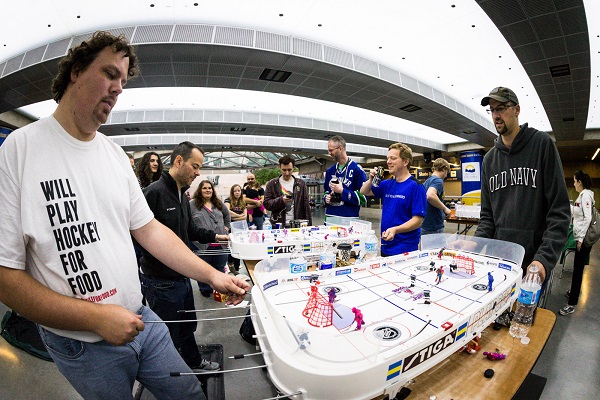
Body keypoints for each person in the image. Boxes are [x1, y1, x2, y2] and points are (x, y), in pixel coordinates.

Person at [0, 31, 248, 400]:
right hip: (82, 344)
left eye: (123, 80)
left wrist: (212, 274)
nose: (118, 88)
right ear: (76, 71)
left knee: (189, 394)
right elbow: (6, 276)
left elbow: (149, 230)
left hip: (143, 320)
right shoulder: (19, 151)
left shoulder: (114, 155)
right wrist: (96, 318)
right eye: (110, 73)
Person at [140, 141, 233, 373]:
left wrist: (217, 236)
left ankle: (192, 362)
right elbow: (139, 239)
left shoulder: (181, 195)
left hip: (182, 277)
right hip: (161, 281)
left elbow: (189, 230)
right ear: (179, 161)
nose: (198, 172)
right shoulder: (153, 194)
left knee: (187, 326)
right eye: (195, 166)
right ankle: (171, 376)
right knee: (168, 334)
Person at [467, 87, 571, 284]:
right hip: (499, 262)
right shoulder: (489, 160)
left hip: (534, 263)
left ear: (517, 110)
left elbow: (559, 211)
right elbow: (488, 218)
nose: (496, 115)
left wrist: (543, 259)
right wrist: (474, 242)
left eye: (501, 108)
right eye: (492, 110)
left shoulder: (541, 144)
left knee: (527, 316)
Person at [360, 143, 427, 256]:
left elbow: (417, 221)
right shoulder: (387, 184)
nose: (388, 162)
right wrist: (371, 179)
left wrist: (396, 230)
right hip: (386, 246)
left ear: (405, 162)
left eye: (393, 158)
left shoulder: (416, 187)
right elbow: (364, 191)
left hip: (405, 249)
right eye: (388, 158)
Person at [560, 170, 594, 316]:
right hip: (581, 237)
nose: (573, 184)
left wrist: (580, 239)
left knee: (578, 270)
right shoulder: (584, 195)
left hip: (584, 239)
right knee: (577, 269)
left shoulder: (586, 194)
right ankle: (573, 291)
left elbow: (587, 218)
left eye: (574, 181)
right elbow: (578, 212)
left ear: (579, 181)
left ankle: (572, 303)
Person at [190, 179, 231, 298]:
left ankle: (220, 288)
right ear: (199, 190)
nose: (208, 190)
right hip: (202, 244)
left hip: (220, 244)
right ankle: (205, 288)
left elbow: (227, 215)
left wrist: (226, 227)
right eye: (204, 188)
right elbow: (188, 221)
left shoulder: (218, 203)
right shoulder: (192, 204)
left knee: (219, 267)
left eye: (210, 188)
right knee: (203, 269)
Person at [323, 135, 367, 223]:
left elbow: (364, 198)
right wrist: (326, 198)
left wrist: (342, 191)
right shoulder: (330, 171)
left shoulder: (357, 170)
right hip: (330, 219)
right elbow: (326, 192)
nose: (329, 153)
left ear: (340, 148)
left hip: (349, 220)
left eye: (331, 150)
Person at [264, 155, 312, 227]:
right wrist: (281, 200)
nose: (287, 173)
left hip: (297, 225)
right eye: (284, 170)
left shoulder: (300, 184)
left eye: (289, 170)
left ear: (293, 168)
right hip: (278, 225)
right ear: (279, 168)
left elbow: (306, 206)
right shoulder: (272, 184)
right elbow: (267, 204)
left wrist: (309, 226)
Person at [422, 158, 452, 235]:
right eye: (447, 172)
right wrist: (445, 208)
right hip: (433, 227)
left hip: (425, 223)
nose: (446, 175)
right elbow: (430, 195)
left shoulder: (427, 181)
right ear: (444, 169)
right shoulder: (438, 181)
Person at [225, 184, 247, 274]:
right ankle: (230, 264)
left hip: (240, 229)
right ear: (232, 192)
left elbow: (245, 216)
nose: (237, 192)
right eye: (235, 191)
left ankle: (236, 269)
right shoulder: (228, 200)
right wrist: (239, 215)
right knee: (231, 247)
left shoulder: (243, 202)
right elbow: (227, 211)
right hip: (230, 228)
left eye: (238, 190)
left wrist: (234, 217)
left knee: (239, 248)